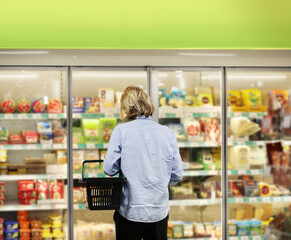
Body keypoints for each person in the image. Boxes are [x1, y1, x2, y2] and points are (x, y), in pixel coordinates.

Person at [103, 86, 183, 240]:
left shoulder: (121, 131)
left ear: (126, 107)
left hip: (130, 211)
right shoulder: (167, 132)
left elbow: (109, 169)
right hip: (159, 211)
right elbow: (177, 174)